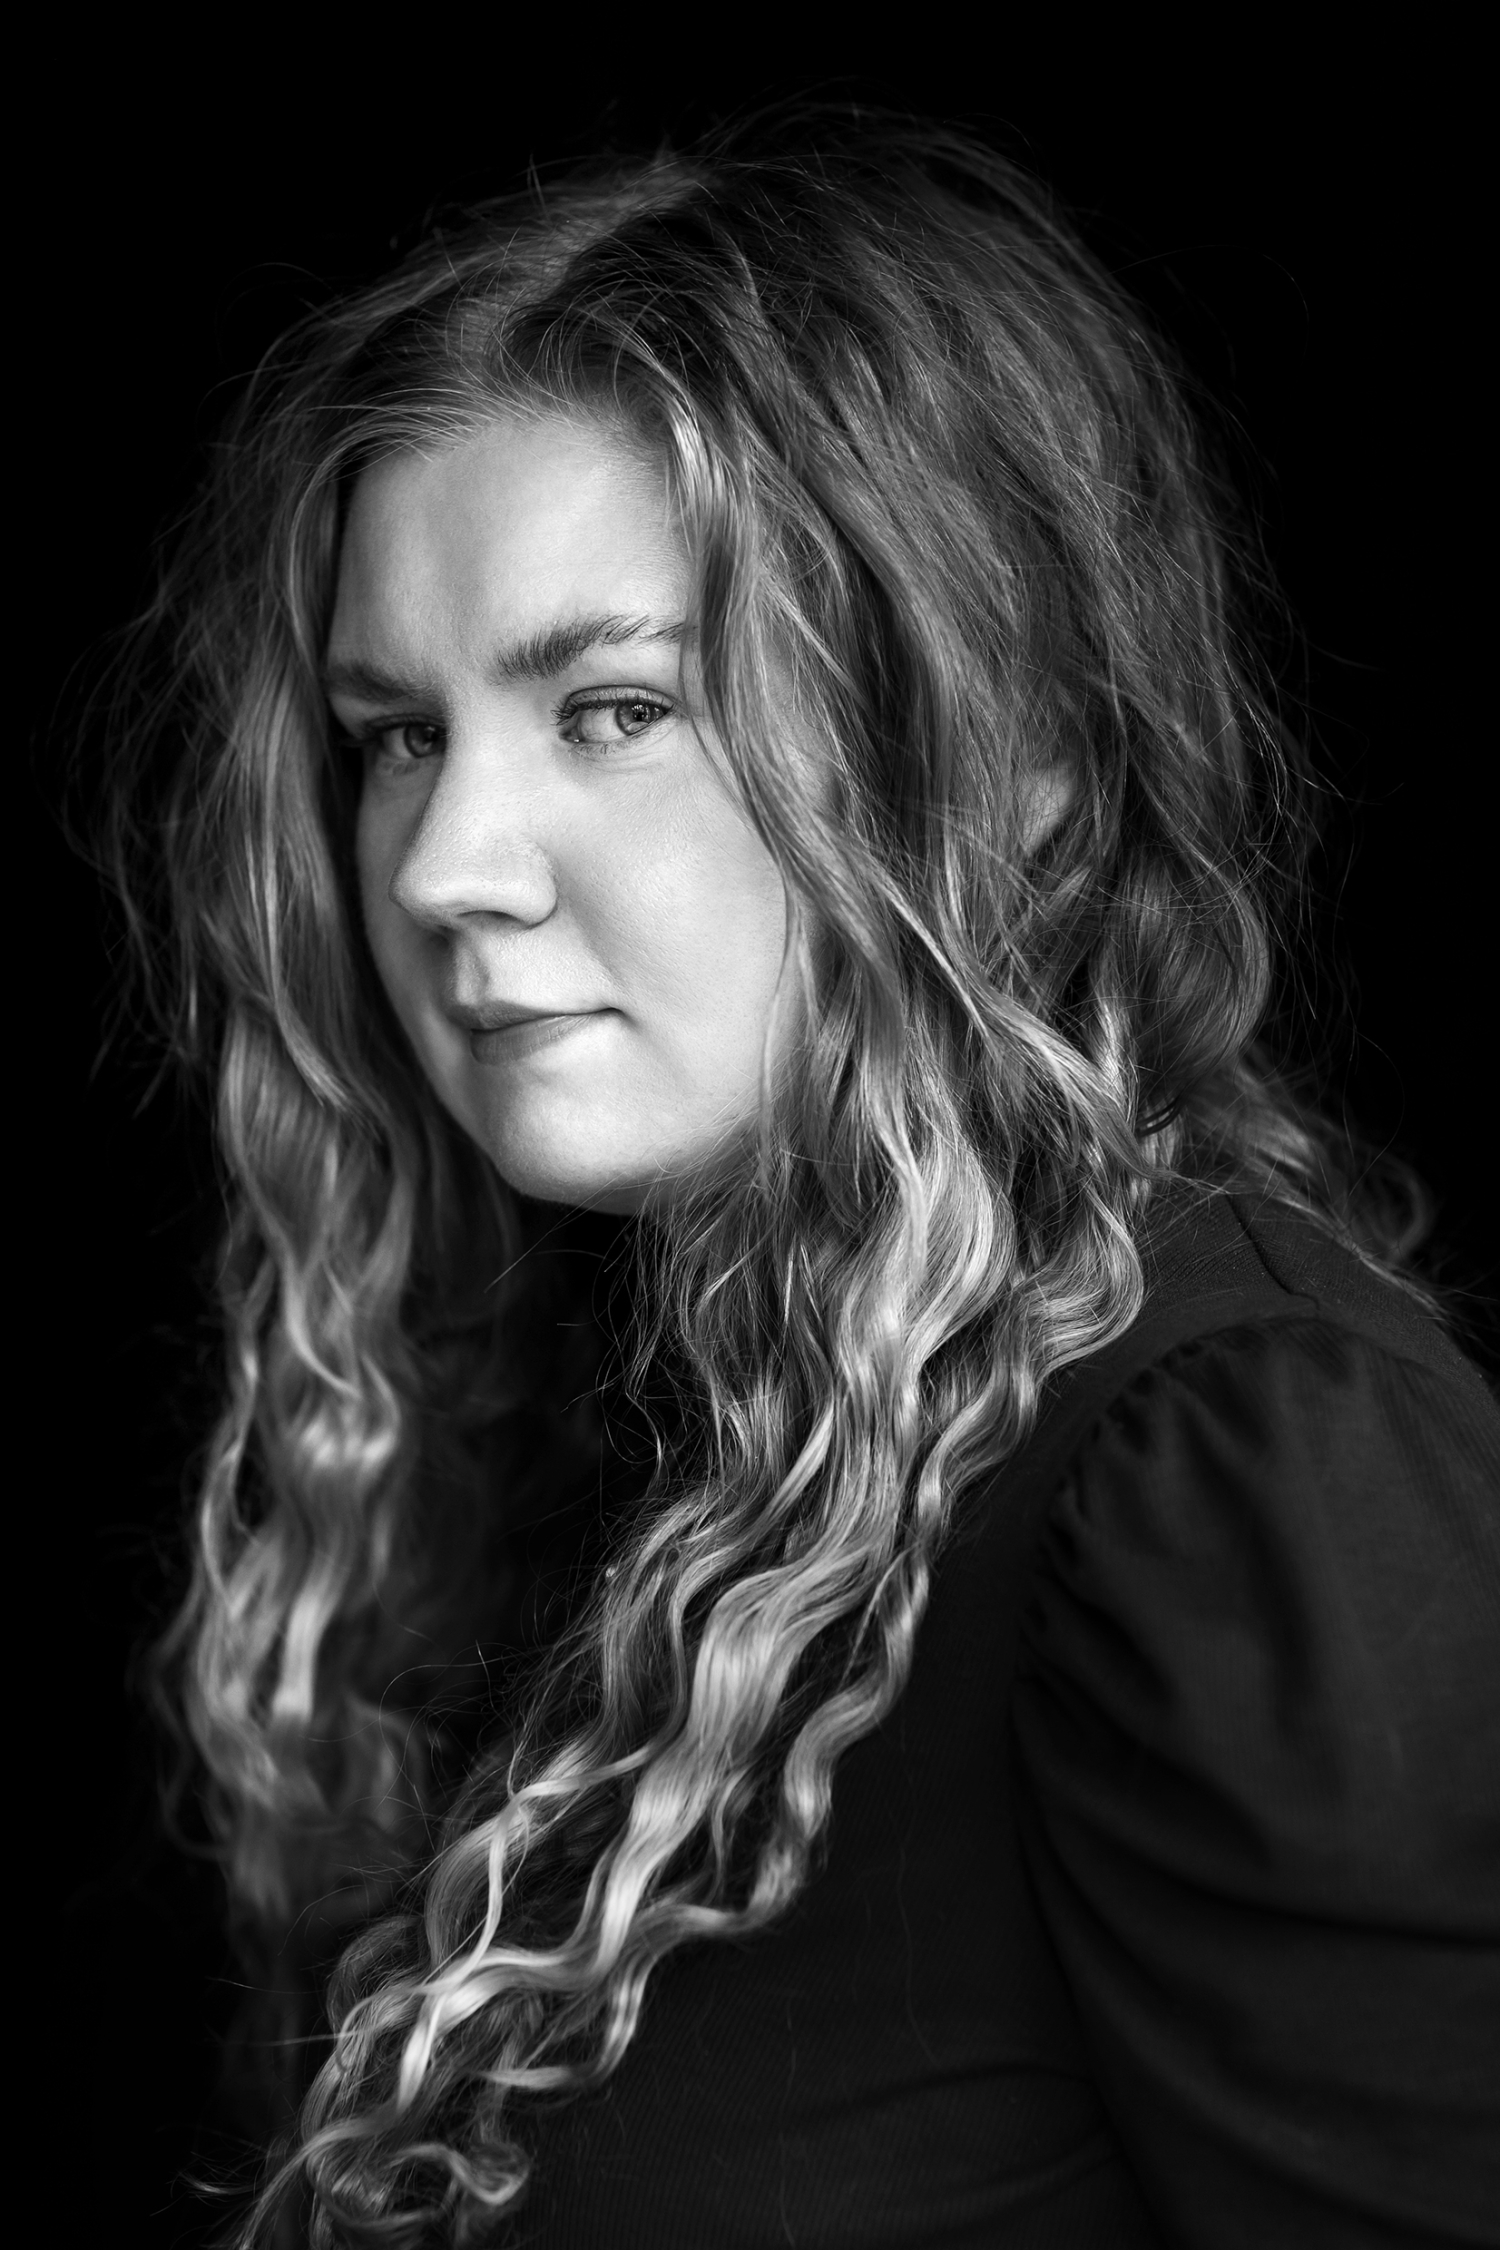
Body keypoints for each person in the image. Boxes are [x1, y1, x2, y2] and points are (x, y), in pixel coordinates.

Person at [98, 104, 1499, 2248]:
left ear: (1011, 761)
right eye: (398, 734)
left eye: (613, 709)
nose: (447, 865)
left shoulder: (1231, 1468)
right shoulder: (612, 1451)